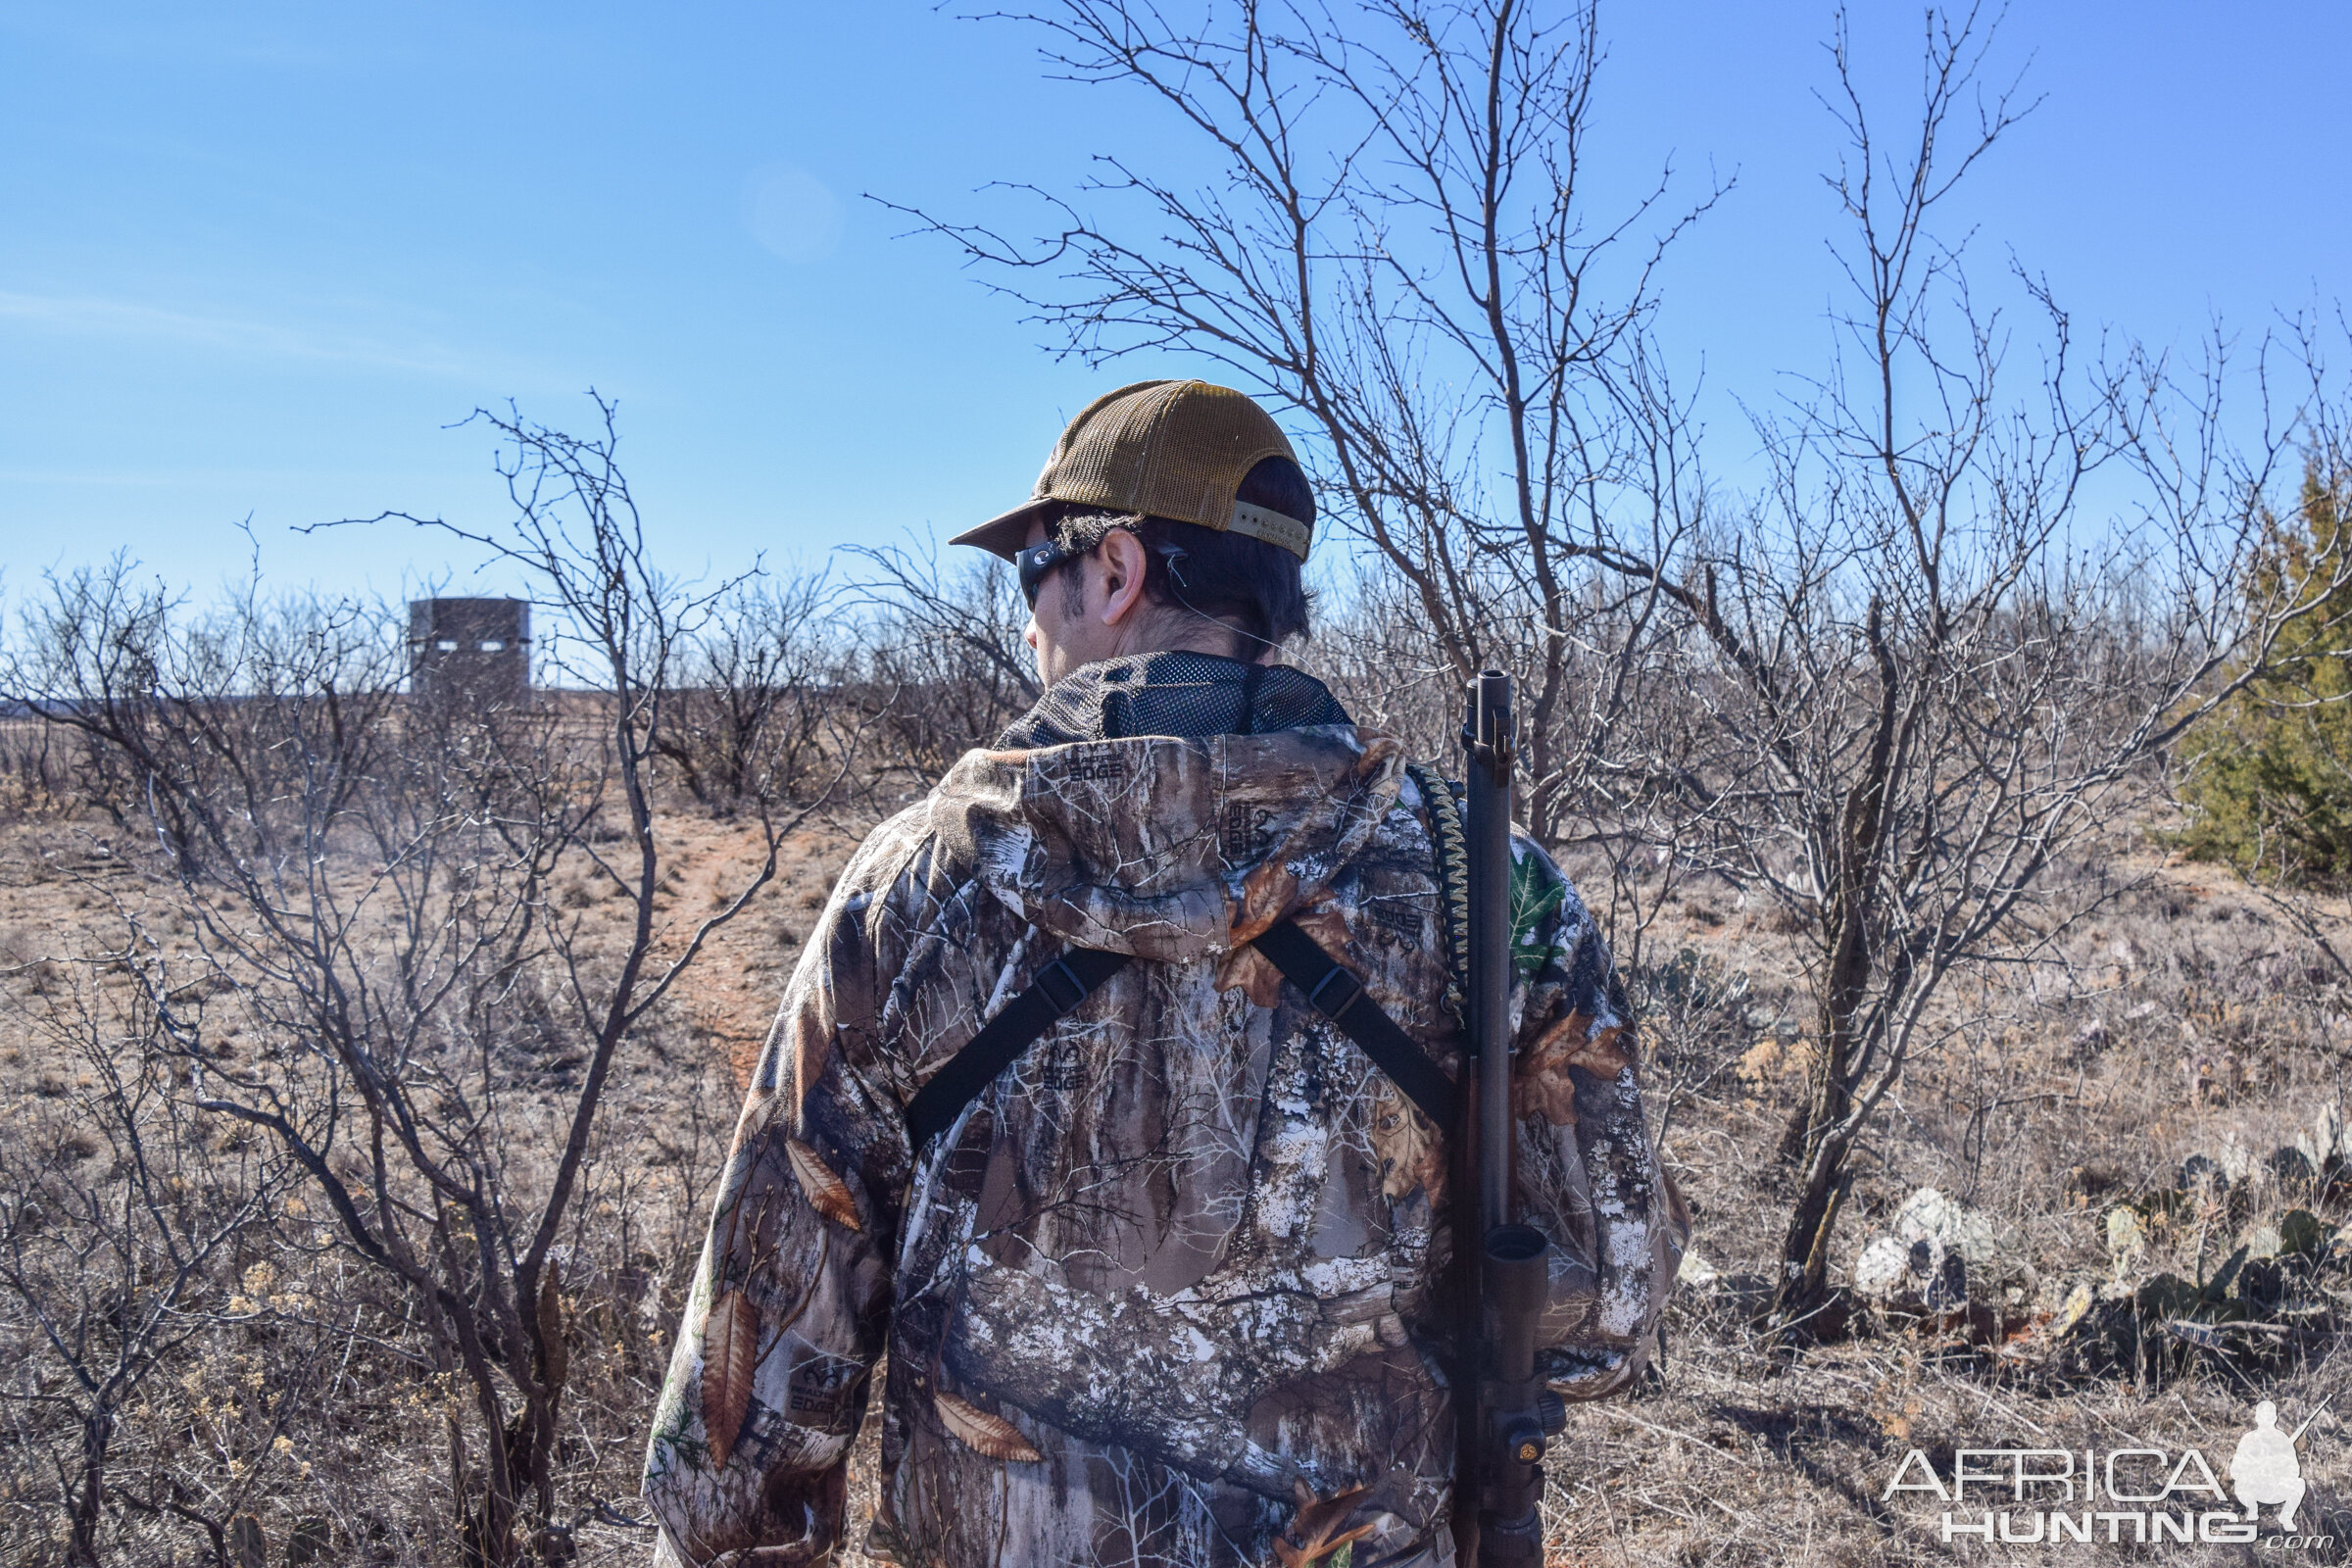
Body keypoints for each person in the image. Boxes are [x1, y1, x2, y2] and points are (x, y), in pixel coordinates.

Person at [641, 379, 1684, 1566]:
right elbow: (1606, 1312)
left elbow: (742, 1420)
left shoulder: (914, 892)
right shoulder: (1486, 882)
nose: (1028, 614)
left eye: (1033, 565)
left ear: (1116, 571)